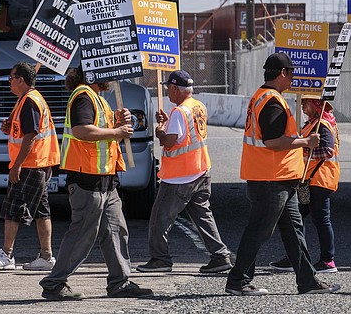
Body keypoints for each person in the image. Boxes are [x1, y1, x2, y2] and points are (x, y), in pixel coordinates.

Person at [225, 52, 340, 296]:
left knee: (294, 231)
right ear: (283, 74)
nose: (293, 79)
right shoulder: (272, 101)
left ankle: (307, 282)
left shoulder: (264, 97)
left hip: (279, 178)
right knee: (259, 230)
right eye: (291, 74)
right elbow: (274, 142)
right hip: (271, 179)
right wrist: (305, 141)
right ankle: (238, 281)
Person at [39, 67, 153, 300]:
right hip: (87, 179)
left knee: (116, 231)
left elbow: (108, 132)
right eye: (105, 72)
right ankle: (54, 282)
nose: (110, 77)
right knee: (83, 234)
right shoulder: (83, 96)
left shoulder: (98, 99)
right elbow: (82, 130)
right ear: (92, 75)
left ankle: (120, 282)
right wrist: (117, 131)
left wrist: (121, 123)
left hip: (105, 180)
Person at [137, 70, 232, 274]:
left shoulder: (179, 112)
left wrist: (160, 131)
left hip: (181, 176)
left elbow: (170, 141)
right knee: (202, 215)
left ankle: (160, 259)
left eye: (168, 89)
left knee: (159, 217)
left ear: (174, 89)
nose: (167, 93)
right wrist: (167, 123)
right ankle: (220, 256)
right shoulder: (198, 106)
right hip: (201, 170)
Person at [0, 62, 60, 271]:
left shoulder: (29, 102)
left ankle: (7, 255)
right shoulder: (26, 100)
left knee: (13, 208)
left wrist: (16, 165)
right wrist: (10, 127)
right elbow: (24, 131)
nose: (9, 81)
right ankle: (46, 256)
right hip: (39, 163)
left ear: (20, 80)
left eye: (11, 77)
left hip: (30, 164)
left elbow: (31, 135)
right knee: (41, 211)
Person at [269, 94, 340, 274]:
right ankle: (295, 256)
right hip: (310, 180)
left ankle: (327, 261)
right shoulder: (313, 123)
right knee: (295, 219)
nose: (302, 106)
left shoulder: (321, 124)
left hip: (319, 179)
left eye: (305, 103)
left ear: (316, 104)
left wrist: (301, 153)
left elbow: (327, 150)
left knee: (321, 220)